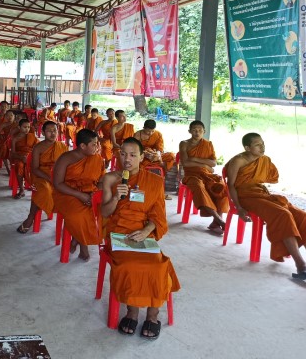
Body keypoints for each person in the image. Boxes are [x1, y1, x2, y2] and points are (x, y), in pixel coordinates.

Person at [100, 137, 180, 339]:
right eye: (123, 154)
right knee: (129, 265)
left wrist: (146, 231)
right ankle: (132, 312)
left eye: (133, 155)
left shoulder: (154, 181)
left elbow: (158, 215)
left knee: (158, 265)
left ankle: (153, 315)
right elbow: (105, 212)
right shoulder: (110, 178)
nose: (127, 159)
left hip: (143, 233)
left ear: (142, 157)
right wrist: (116, 197)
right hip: (118, 233)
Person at [225, 133, 306, 279]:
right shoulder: (238, 161)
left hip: (260, 193)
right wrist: (239, 208)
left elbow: (271, 177)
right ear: (247, 148)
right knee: (283, 214)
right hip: (245, 197)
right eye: (257, 145)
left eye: (263, 143)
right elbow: (230, 185)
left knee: (301, 215)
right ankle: (301, 265)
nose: (262, 147)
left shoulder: (264, 159)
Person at [53, 129, 106, 261]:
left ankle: (76, 239)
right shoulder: (65, 158)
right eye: (94, 144)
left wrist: (95, 194)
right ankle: (83, 246)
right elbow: (58, 184)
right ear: (82, 146)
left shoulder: (97, 159)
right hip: (67, 193)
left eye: (97, 143)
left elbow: (101, 181)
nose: (97, 147)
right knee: (78, 214)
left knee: (105, 211)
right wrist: (80, 195)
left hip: (90, 192)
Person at [17, 121, 68, 233]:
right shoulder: (38, 148)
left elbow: (67, 166)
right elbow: (35, 169)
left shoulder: (62, 146)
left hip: (58, 176)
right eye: (49, 131)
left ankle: (70, 224)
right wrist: (49, 178)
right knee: (44, 190)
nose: (53, 133)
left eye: (55, 131)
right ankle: (31, 217)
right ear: (44, 133)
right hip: (41, 175)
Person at [178, 121, 229, 234]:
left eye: (200, 130)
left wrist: (195, 159)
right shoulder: (184, 144)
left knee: (221, 186)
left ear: (204, 131)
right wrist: (205, 164)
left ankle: (215, 222)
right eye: (194, 130)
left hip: (207, 174)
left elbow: (213, 163)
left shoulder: (208, 144)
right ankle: (219, 220)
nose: (197, 133)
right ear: (189, 131)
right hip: (191, 175)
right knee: (199, 186)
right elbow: (185, 163)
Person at [9, 119, 39, 199]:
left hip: (31, 156)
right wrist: (21, 157)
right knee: (19, 166)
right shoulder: (14, 139)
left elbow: (38, 148)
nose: (27, 129)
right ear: (19, 127)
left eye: (28, 127)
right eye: (24, 127)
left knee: (37, 166)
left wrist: (31, 157)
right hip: (19, 157)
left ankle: (35, 187)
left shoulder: (32, 136)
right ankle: (22, 189)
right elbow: (12, 154)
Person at [0, 109, 16, 175]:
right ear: (5, 117)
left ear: (14, 116)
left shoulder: (17, 124)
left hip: (15, 142)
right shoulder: (3, 125)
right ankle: (8, 169)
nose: (9, 117)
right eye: (7, 116)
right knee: (4, 149)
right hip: (5, 141)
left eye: (11, 115)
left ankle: (13, 168)